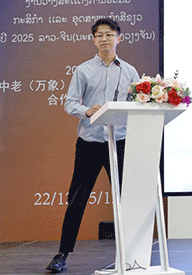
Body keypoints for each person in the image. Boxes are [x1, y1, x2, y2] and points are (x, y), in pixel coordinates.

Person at [46, 18, 140, 274]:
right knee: (77, 199)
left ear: (119, 38)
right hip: (90, 142)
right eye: (99, 35)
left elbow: (137, 103)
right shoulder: (83, 70)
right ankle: (62, 254)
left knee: (126, 200)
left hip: (119, 142)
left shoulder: (129, 71)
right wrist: (87, 111)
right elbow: (70, 103)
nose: (104, 39)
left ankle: (131, 255)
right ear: (93, 40)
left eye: (109, 34)